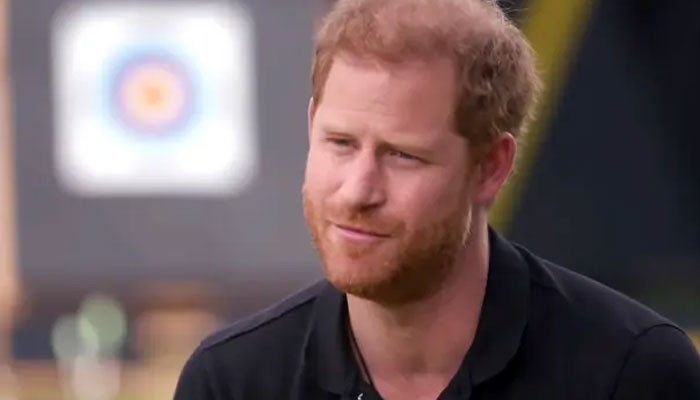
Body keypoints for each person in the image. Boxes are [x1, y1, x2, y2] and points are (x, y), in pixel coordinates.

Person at [174, 0, 700, 398]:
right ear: (312, 125)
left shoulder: (633, 373)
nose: (357, 190)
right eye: (341, 143)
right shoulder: (231, 382)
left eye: (403, 155)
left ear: (490, 167)